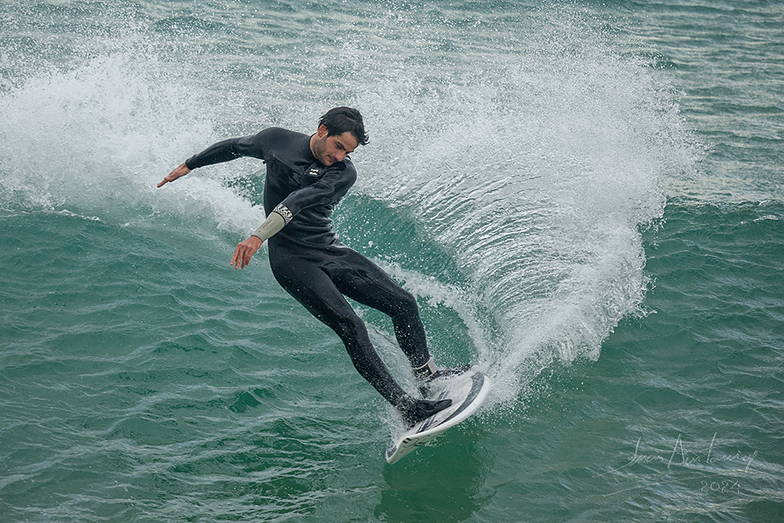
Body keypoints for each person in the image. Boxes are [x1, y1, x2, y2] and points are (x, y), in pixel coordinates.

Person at [158, 107, 466, 426]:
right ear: (322, 131)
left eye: (348, 151)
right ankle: (406, 408)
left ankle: (427, 377)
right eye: (339, 147)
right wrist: (190, 164)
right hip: (291, 260)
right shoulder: (276, 141)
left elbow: (299, 201)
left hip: (326, 248)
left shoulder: (343, 172)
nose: (341, 156)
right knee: (351, 327)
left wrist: (256, 235)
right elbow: (235, 146)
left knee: (403, 303)